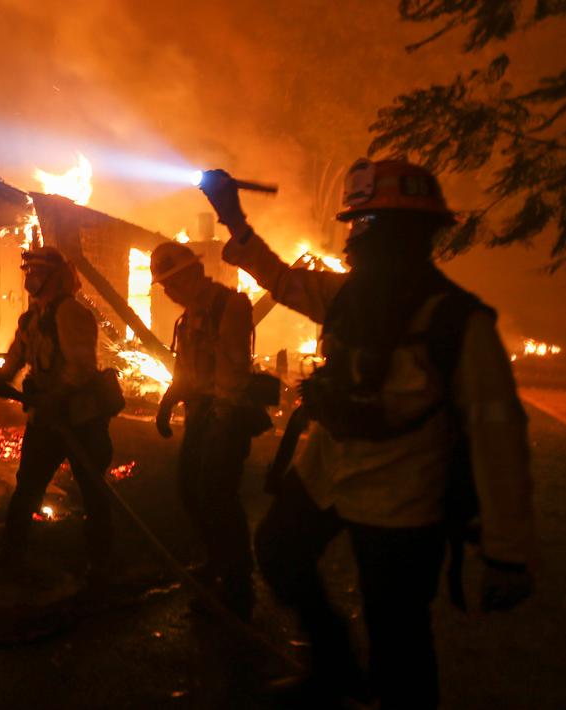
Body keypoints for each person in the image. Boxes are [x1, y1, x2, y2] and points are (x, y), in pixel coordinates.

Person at [200, 160, 537, 708]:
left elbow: (498, 440)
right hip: (330, 474)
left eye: (370, 225)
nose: (357, 240)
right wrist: (233, 218)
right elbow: (280, 278)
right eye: (358, 225)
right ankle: (334, 671)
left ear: (410, 235)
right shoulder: (349, 297)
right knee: (281, 549)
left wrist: (507, 554)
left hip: (404, 501)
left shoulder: (458, 322)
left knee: (397, 633)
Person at [0, 246, 114, 582]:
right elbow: (16, 357)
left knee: (93, 492)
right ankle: (14, 553)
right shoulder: (32, 318)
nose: (31, 277)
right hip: (46, 421)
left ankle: (101, 563)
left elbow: (82, 368)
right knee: (27, 486)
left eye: (38, 271)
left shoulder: (71, 313)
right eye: (29, 271)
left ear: (55, 277)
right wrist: (0, 375)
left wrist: (56, 396)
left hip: (82, 422)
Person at [151, 241, 264, 617]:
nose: (169, 291)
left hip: (226, 416)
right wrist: (169, 402)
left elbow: (233, 370)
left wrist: (222, 423)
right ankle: (216, 560)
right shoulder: (189, 316)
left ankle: (238, 584)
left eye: (174, 281)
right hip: (202, 413)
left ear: (195, 273)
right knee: (190, 490)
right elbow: (185, 370)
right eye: (165, 286)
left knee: (219, 497)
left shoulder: (229, 306)